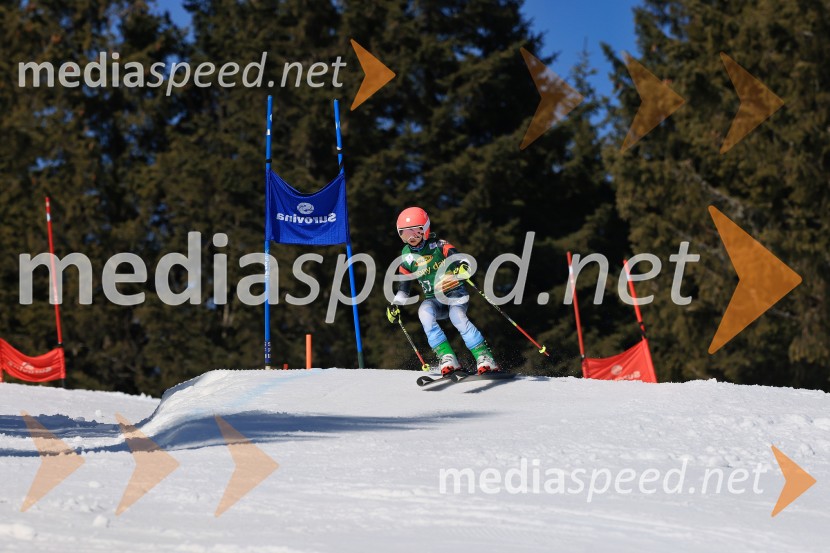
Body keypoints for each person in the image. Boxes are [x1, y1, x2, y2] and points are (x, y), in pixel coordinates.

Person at [386, 206, 498, 375]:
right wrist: (396, 305)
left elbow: (459, 259)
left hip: (455, 293)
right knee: (424, 312)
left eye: (415, 231)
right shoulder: (406, 257)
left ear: (425, 229)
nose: (411, 237)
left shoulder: (438, 245)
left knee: (457, 316)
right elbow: (404, 288)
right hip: (434, 299)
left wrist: (462, 267)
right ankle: (447, 357)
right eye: (404, 233)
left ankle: (485, 357)